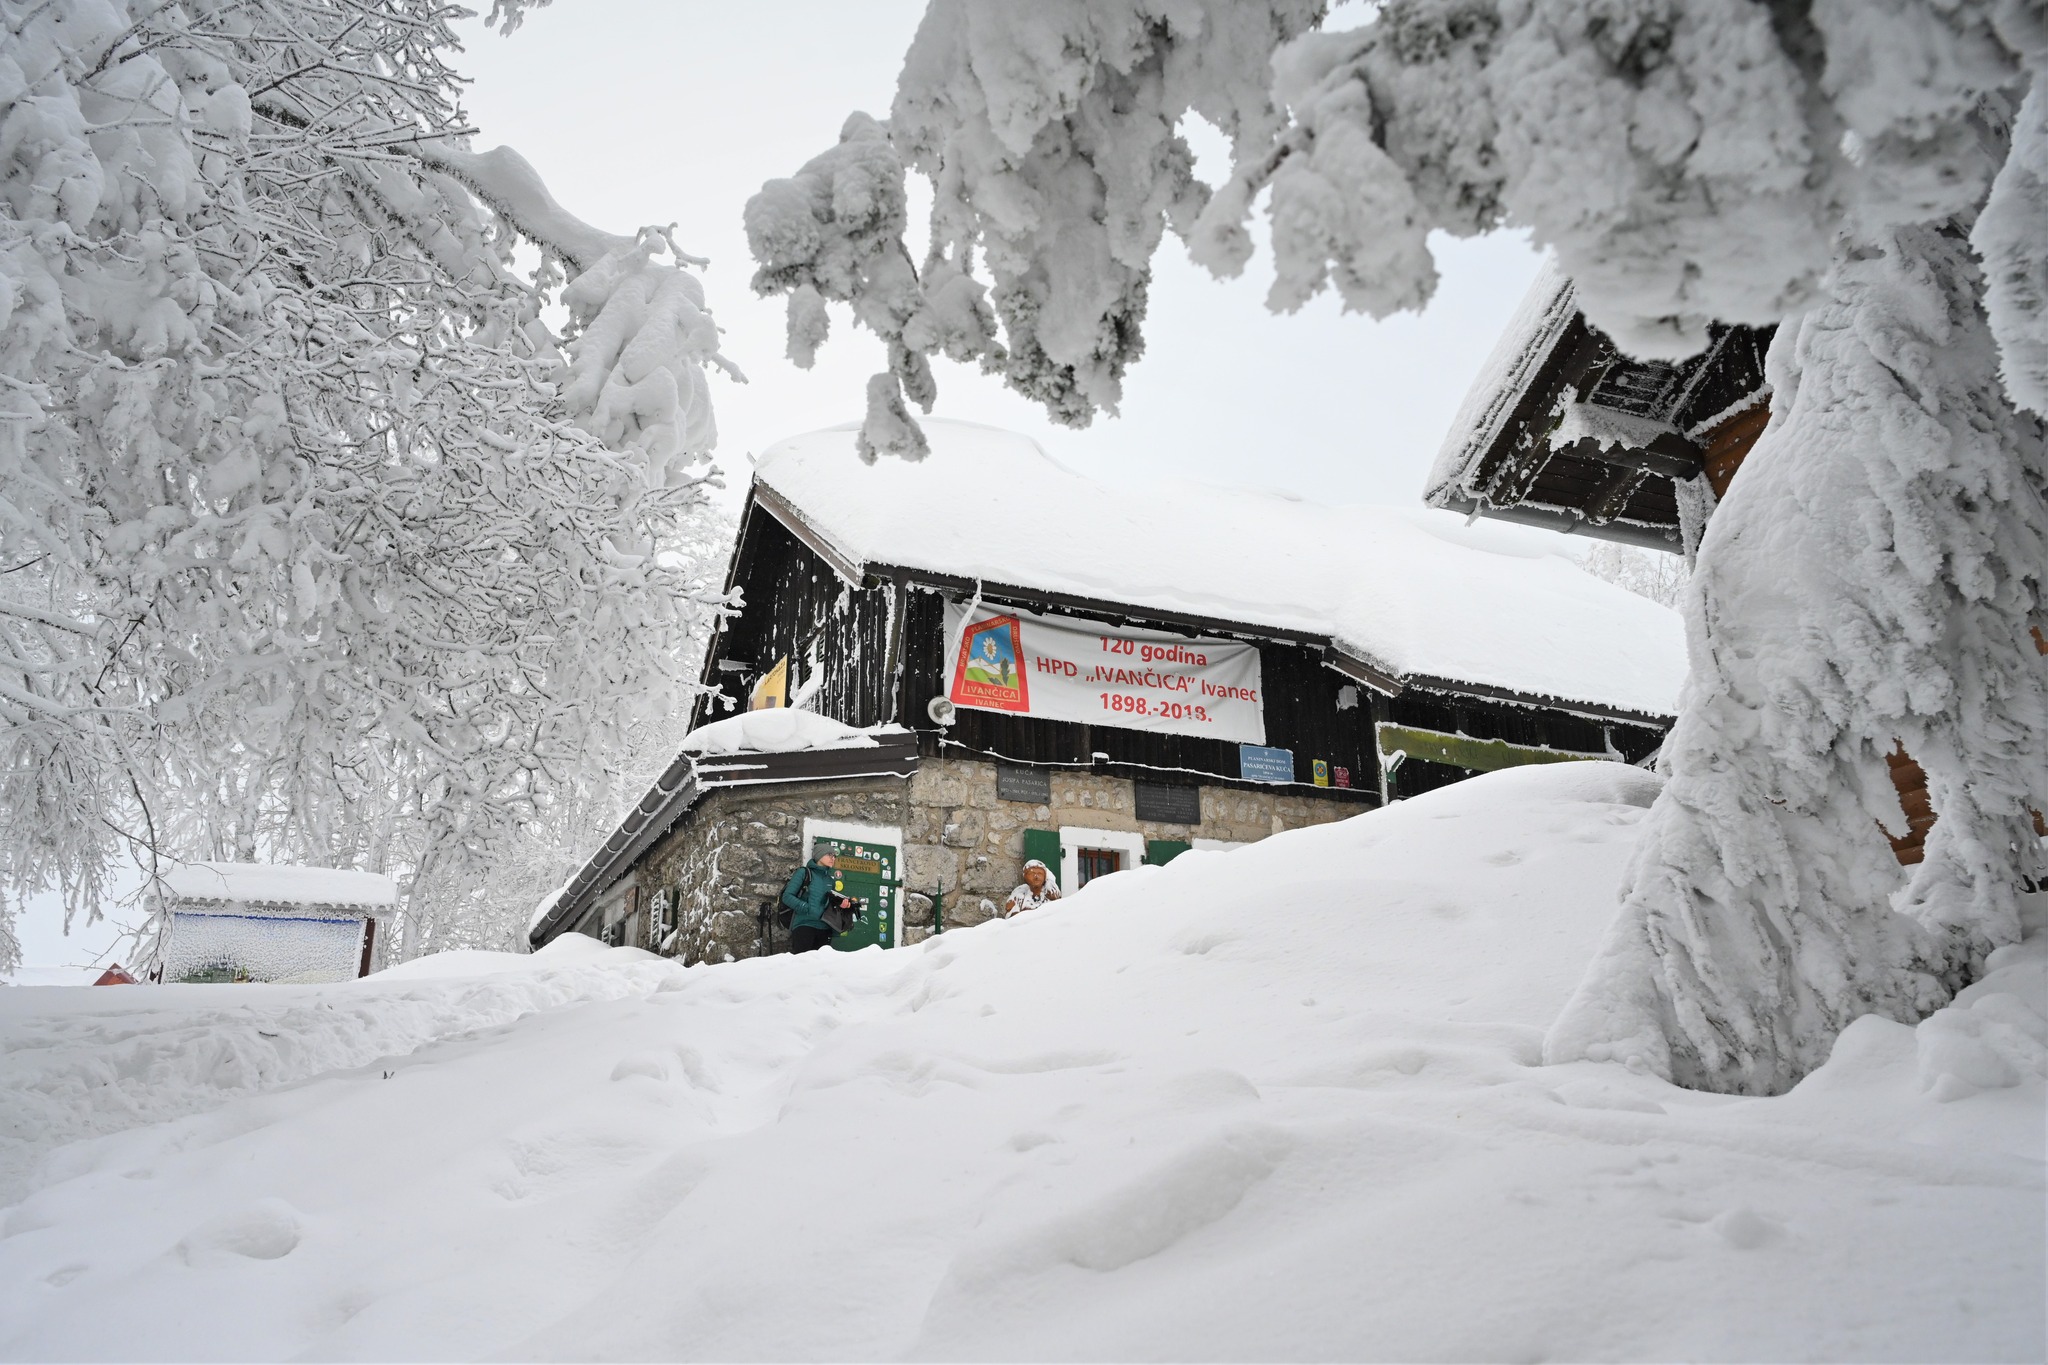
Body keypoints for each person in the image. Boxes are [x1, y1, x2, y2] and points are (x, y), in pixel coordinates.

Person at [781, 849, 855, 954]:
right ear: (819, 855)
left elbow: (828, 905)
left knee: (820, 967)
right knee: (802, 964)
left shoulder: (830, 880)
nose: (833, 858)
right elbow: (787, 896)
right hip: (804, 926)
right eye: (830, 854)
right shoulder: (804, 872)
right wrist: (806, 908)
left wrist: (841, 906)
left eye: (834, 856)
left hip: (825, 928)